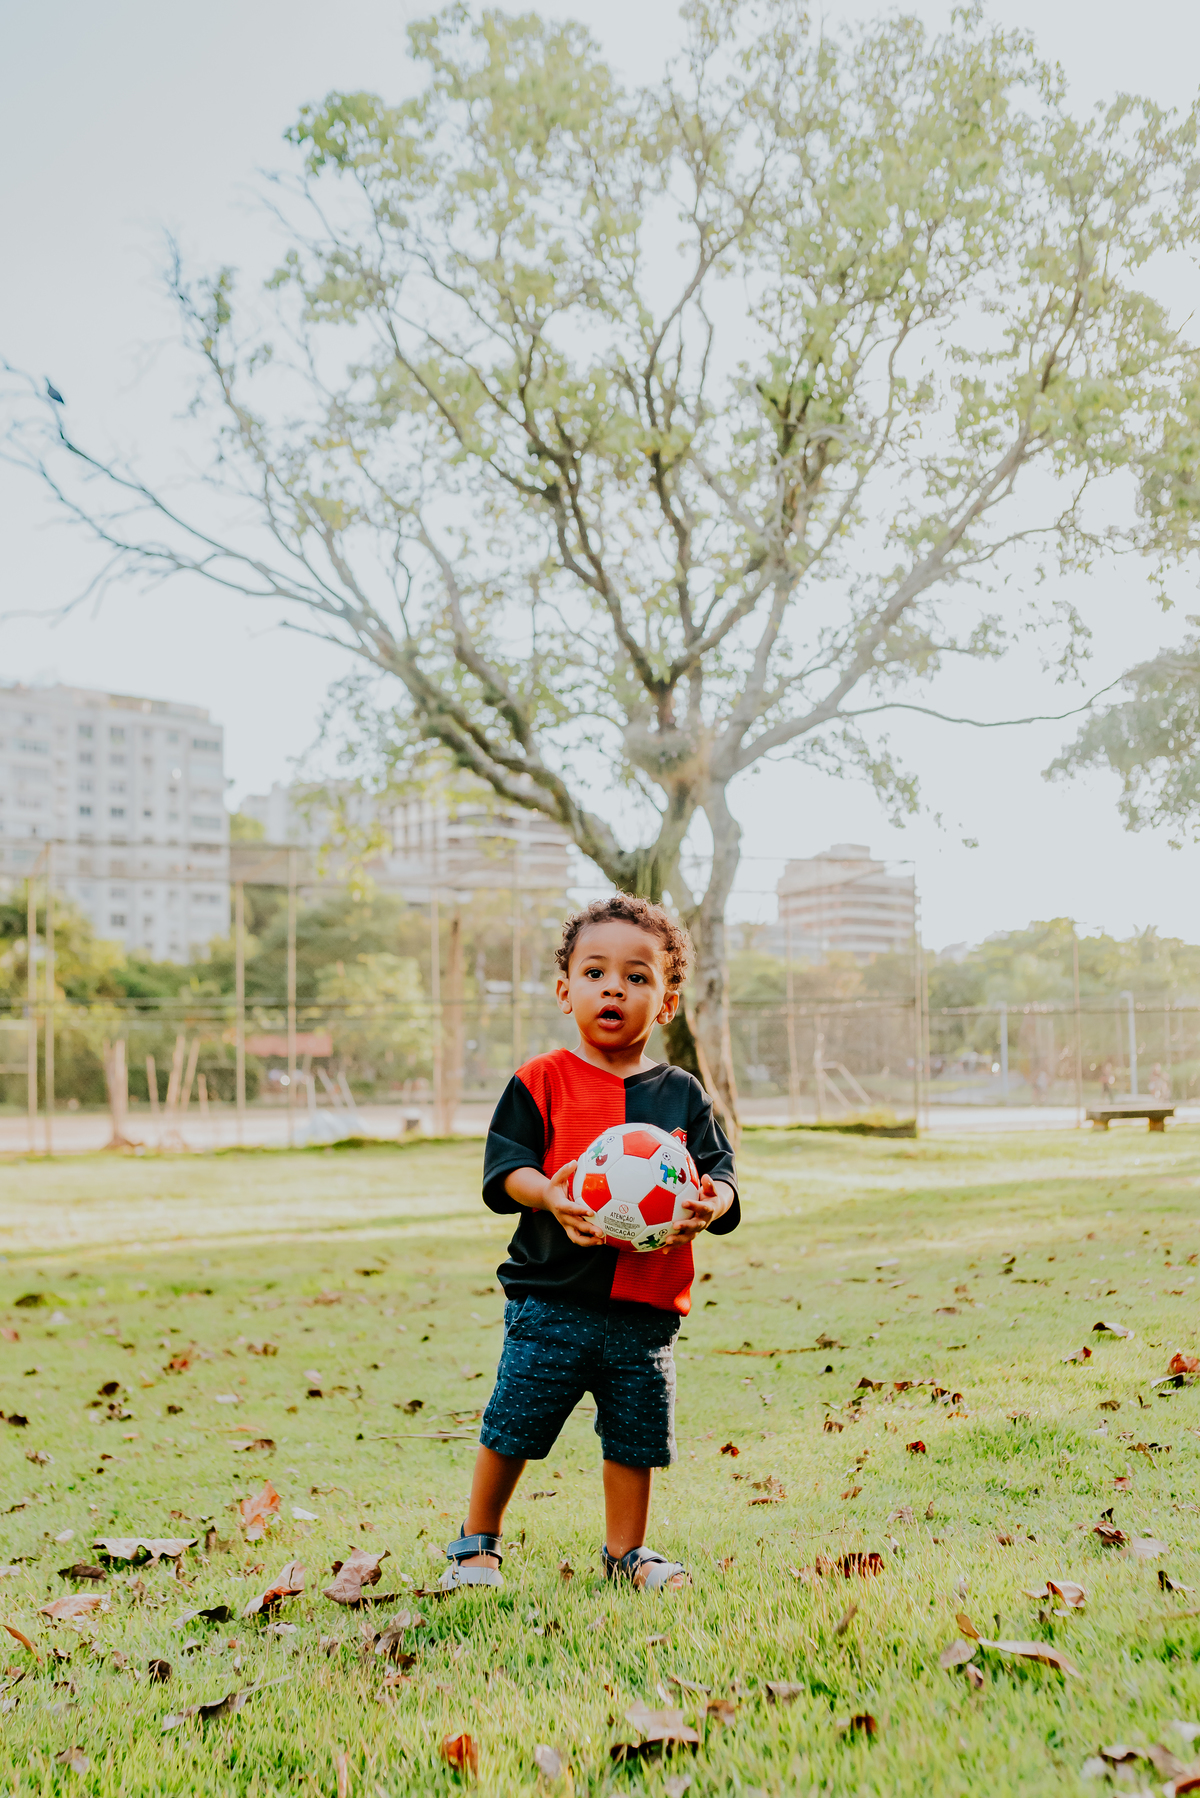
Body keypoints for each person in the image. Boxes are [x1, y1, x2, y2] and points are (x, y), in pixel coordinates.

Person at [442, 895, 739, 1595]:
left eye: (638, 977)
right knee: (514, 1421)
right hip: (553, 1297)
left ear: (666, 1003)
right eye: (597, 972)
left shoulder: (683, 1095)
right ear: (564, 990)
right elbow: (505, 1168)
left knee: (634, 1437)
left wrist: (709, 1203)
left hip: (646, 1306)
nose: (615, 987)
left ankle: (626, 1553)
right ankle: (476, 1542)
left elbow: (722, 1177)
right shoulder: (540, 1080)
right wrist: (548, 1193)